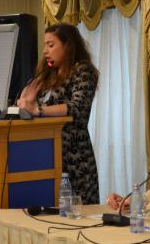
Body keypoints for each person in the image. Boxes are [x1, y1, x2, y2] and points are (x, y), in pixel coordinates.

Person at [17, 23, 100, 205]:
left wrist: (36, 110)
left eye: (51, 45)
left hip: (75, 160)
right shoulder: (47, 76)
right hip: (45, 157)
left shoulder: (82, 71)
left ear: (68, 45)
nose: (45, 51)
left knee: (76, 216)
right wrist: (26, 99)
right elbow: (28, 106)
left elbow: (77, 108)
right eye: (45, 45)